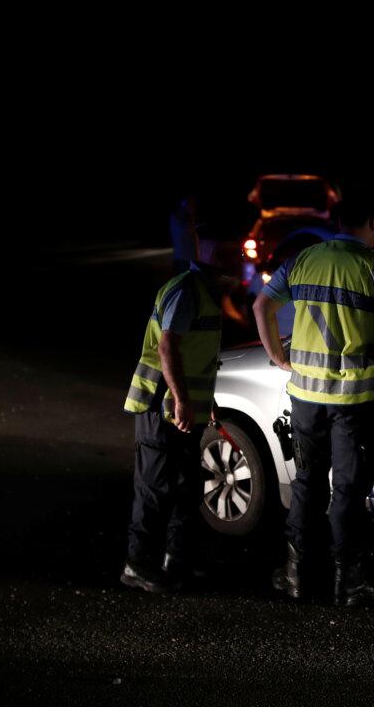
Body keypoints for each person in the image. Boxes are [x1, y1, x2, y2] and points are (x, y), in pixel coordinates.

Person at [253, 196, 374, 607]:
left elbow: (261, 305)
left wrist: (278, 356)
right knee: (347, 489)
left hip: (305, 398)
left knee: (306, 484)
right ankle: (349, 583)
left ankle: (297, 576)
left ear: (337, 219)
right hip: (355, 403)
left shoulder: (303, 260)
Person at [120, 222, 241, 592]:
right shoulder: (187, 291)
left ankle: (177, 561)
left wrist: (209, 402)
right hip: (162, 408)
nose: (233, 257)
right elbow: (167, 347)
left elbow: (196, 357)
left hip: (183, 409)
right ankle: (137, 565)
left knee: (186, 489)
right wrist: (184, 401)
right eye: (226, 250)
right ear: (206, 252)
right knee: (155, 489)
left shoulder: (203, 292)